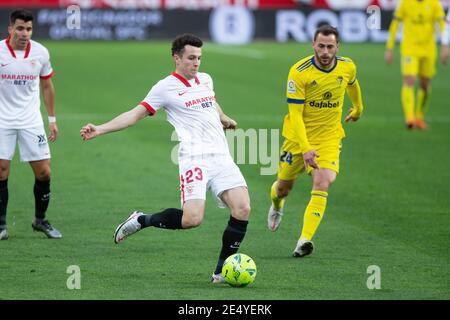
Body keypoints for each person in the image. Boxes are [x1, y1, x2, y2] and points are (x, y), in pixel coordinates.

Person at [80, 34, 250, 283]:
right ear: (177, 57)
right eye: (191, 58)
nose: (196, 63)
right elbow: (134, 114)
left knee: (243, 208)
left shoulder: (205, 79)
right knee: (192, 219)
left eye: (200, 58)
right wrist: (101, 129)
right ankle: (141, 219)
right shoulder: (165, 88)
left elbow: (211, 102)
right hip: (195, 159)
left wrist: (223, 117)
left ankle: (221, 272)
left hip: (221, 156)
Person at [267, 25, 363, 257]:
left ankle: (304, 239)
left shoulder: (347, 66)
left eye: (330, 46)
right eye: (321, 46)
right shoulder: (300, 72)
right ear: (313, 45)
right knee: (283, 188)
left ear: (337, 47)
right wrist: (306, 147)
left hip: (329, 137)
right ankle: (277, 205)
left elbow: (352, 83)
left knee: (323, 182)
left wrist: (359, 107)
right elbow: (296, 115)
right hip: (297, 138)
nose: (325, 51)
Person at [0, 9, 62, 240]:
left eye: (28, 29)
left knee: (44, 172)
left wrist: (52, 119)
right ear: (10, 28)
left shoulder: (41, 53)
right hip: (2, 120)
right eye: (20, 28)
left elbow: (47, 86)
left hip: (30, 120)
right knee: (1, 171)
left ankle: (40, 220)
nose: (24, 33)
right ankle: (1, 226)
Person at [385, 0, 446, 130]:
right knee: (410, 79)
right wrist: (389, 48)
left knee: (425, 84)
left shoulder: (434, 3)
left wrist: (445, 46)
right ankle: (409, 118)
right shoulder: (405, 3)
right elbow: (395, 24)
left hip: (429, 49)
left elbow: (442, 24)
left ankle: (419, 117)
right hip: (410, 49)